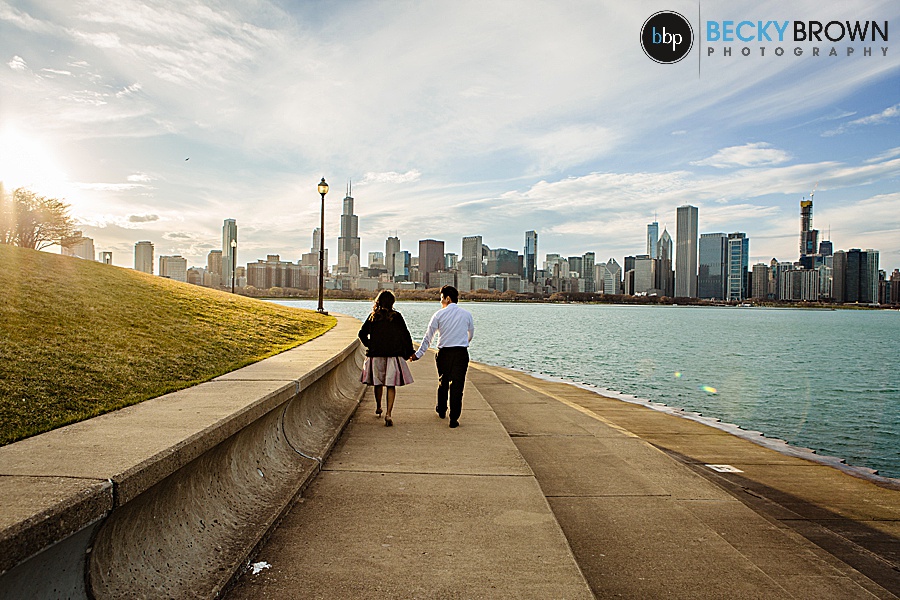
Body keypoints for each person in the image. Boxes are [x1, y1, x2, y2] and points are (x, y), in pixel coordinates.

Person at [410, 285, 474, 428]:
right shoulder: (467, 314)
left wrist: (418, 355)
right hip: (461, 353)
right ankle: (454, 419)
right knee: (458, 386)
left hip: (444, 353)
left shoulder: (438, 315)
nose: (441, 302)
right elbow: (471, 334)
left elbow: (428, 338)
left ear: (447, 298)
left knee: (443, 381)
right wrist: (461, 342)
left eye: (441, 299)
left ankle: (442, 409)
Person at [358, 290, 414, 427]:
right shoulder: (397, 317)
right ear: (392, 302)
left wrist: (371, 345)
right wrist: (410, 352)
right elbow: (405, 336)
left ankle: (378, 407)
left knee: (378, 383)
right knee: (390, 384)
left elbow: (361, 334)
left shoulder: (373, 317)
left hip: (376, 355)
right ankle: (389, 414)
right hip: (393, 355)